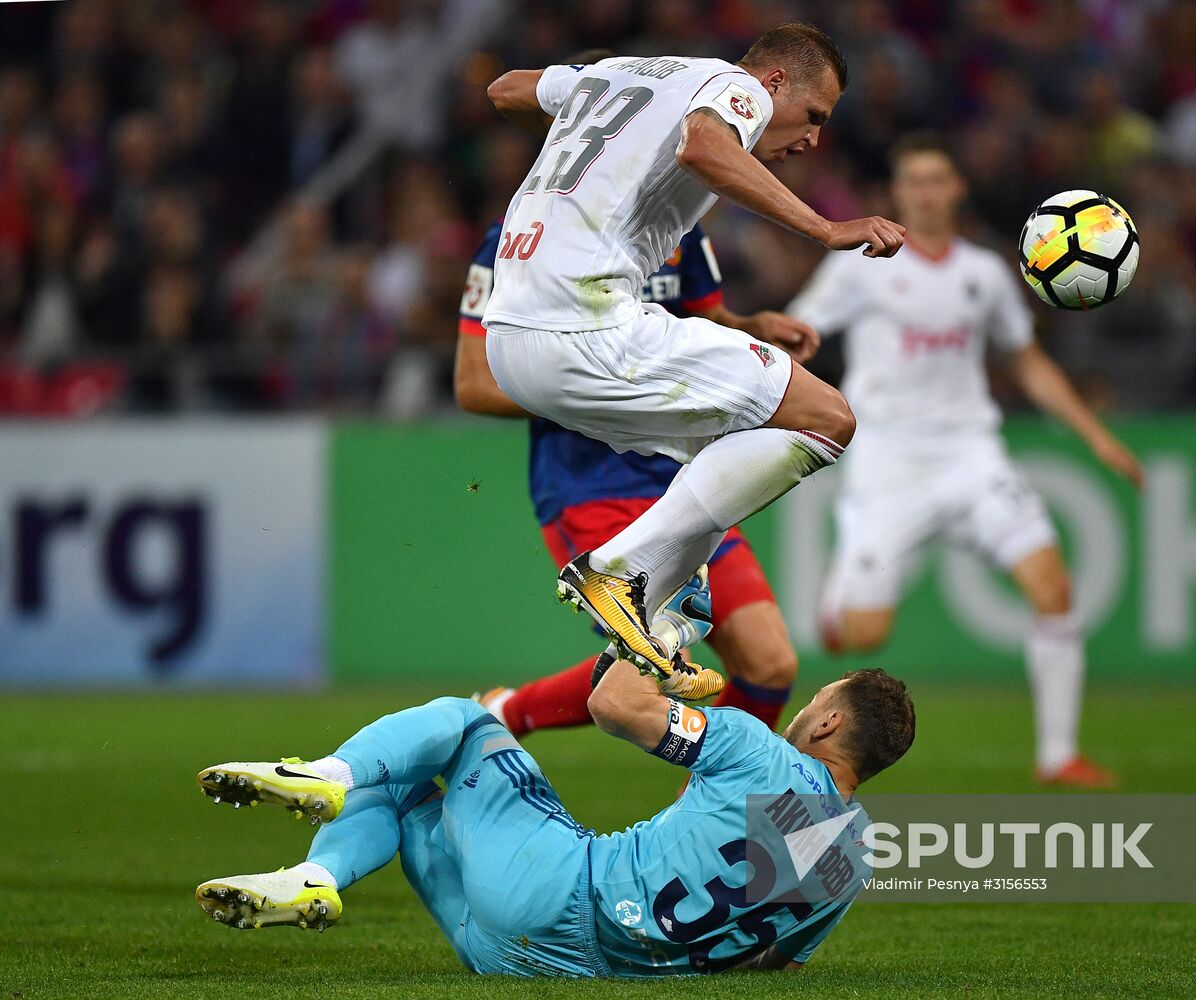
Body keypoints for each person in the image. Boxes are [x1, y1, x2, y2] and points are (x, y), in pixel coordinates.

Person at [481, 24, 905, 688]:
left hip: (511, 342)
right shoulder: (736, 87)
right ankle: (620, 571)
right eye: (813, 116)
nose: (812, 139)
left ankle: (670, 606)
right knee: (826, 418)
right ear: (773, 84)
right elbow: (703, 146)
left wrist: (592, 106)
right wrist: (826, 227)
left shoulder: (622, 73)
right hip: (584, 322)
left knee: (731, 439)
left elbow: (506, 90)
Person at [788, 132, 1141, 788]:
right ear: (896, 194)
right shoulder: (859, 266)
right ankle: (840, 600)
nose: (925, 192)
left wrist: (1096, 435)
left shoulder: (984, 275)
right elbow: (800, 332)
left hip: (971, 457)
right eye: (913, 181)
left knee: (1054, 589)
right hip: (889, 464)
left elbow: (1025, 360)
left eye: (937, 180)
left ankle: (1057, 756)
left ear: (957, 189)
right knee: (863, 635)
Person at [191, 663, 916, 977]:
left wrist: (652, 643)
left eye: (815, 701)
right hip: (528, 960)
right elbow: (771, 965)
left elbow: (612, 706)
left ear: (826, 722)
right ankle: (311, 878)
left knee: (464, 722)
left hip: (556, 892)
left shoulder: (756, 748)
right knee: (403, 778)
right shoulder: (854, 860)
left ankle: (330, 775)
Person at [456, 216, 816, 732]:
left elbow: (708, 318)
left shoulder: (678, 224)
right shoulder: (521, 238)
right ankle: (502, 716)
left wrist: (753, 327)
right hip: (590, 485)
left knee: (770, 665)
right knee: (651, 666)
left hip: (683, 479)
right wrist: (612, 396)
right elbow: (473, 384)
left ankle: (704, 808)